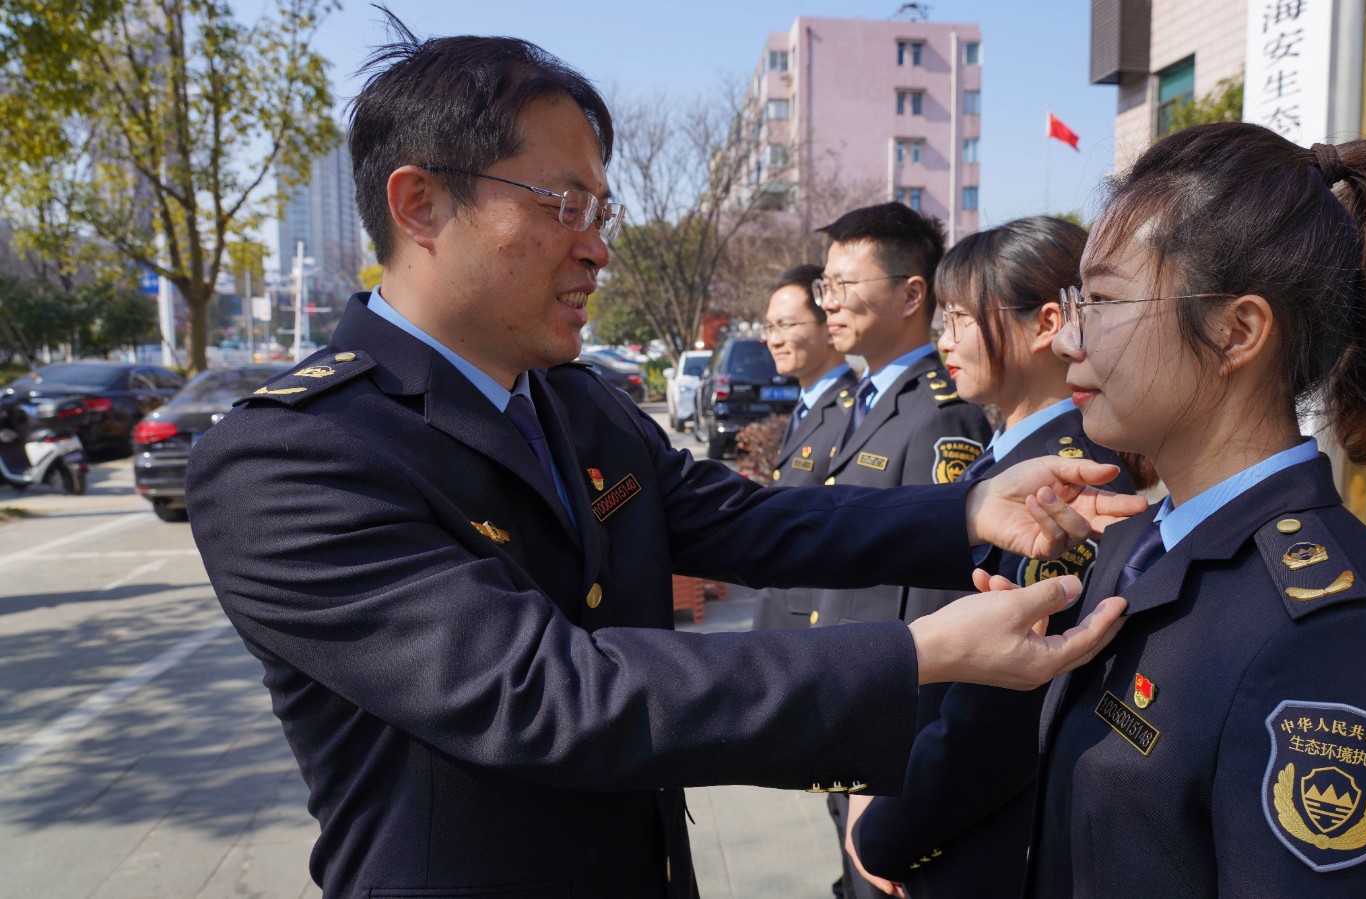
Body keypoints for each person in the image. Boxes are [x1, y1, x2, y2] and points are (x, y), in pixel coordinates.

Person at [184, 23, 1145, 899]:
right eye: (564, 205)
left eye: (601, 209)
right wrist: (921, 653)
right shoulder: (292, 456)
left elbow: (743, 520)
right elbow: (550, 692)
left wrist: (970, 511)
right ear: (421, 203)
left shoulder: (571, 399)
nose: (597, 249)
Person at [1018, 122, 1366, 896]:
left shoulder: (1335, 639)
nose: (1067, 341)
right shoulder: (1136, 542)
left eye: (1104, 300)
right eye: (1074, 301)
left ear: (1238, 331)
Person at [847, 216, 1139, 898]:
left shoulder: (1068, 486)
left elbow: (995, 722)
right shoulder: (1005, 459)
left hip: (975, 848)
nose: (942, 340)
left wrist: (886, 830)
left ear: (1045, 324)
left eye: (959, 319)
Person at [807, 202, 994, 898]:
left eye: (844, 284)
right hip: (851, 707)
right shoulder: (865, 398)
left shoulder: (941, 411)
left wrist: (894, 768)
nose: (828, 302)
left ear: (912, 293)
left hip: (889, 736)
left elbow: (944, 595)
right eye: (824, 285)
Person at [751, 263, 856, 629]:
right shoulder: (808, 403)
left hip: (813, 621)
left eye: (787, 325)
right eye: (770, 327)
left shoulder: (851, 410)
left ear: (829, 326)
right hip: (783, 608)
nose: (774, 339)